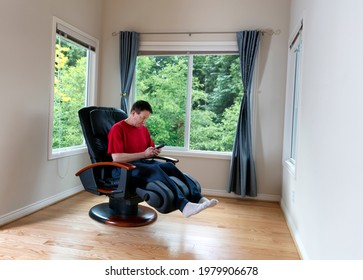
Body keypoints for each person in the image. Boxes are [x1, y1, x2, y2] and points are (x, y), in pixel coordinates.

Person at [107, 100, 218, 217]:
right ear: (134, 113)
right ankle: (184, 205)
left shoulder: (143, 129)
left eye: (146, 119)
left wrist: (154, 151)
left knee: (169, 166)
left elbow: (148, 149)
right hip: (124, 169)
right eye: (143, 118)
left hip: (142, 163)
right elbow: (117, 158)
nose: (144, 121)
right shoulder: (117, 129)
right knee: (155, 169)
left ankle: (198, 198)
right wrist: (144, 154)